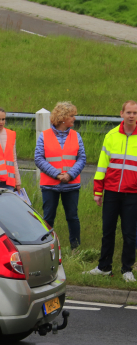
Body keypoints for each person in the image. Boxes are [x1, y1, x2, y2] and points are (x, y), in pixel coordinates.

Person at [85, 100, 137, 283]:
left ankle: (127, 269)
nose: (132, 116)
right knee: (108, 230)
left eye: (135, 113)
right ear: (121, 113)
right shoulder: (111, 135)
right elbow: (102, 165)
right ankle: (104, 267)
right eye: (129, 112)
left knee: (130, 233)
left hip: (133, 193)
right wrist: (98, 191)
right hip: (112, 192)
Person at [35, 102, 86, 250]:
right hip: (50, 185)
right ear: (63, 117)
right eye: (71, 116)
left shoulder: (76, 136)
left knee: (72, 217)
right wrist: (57, 175)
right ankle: (46, 247)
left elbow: (82, 158)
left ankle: (75, 248)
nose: (74, 118)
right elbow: (38, 158)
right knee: (48, 218)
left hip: (71, 185)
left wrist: (70, 175)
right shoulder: (44, 136)